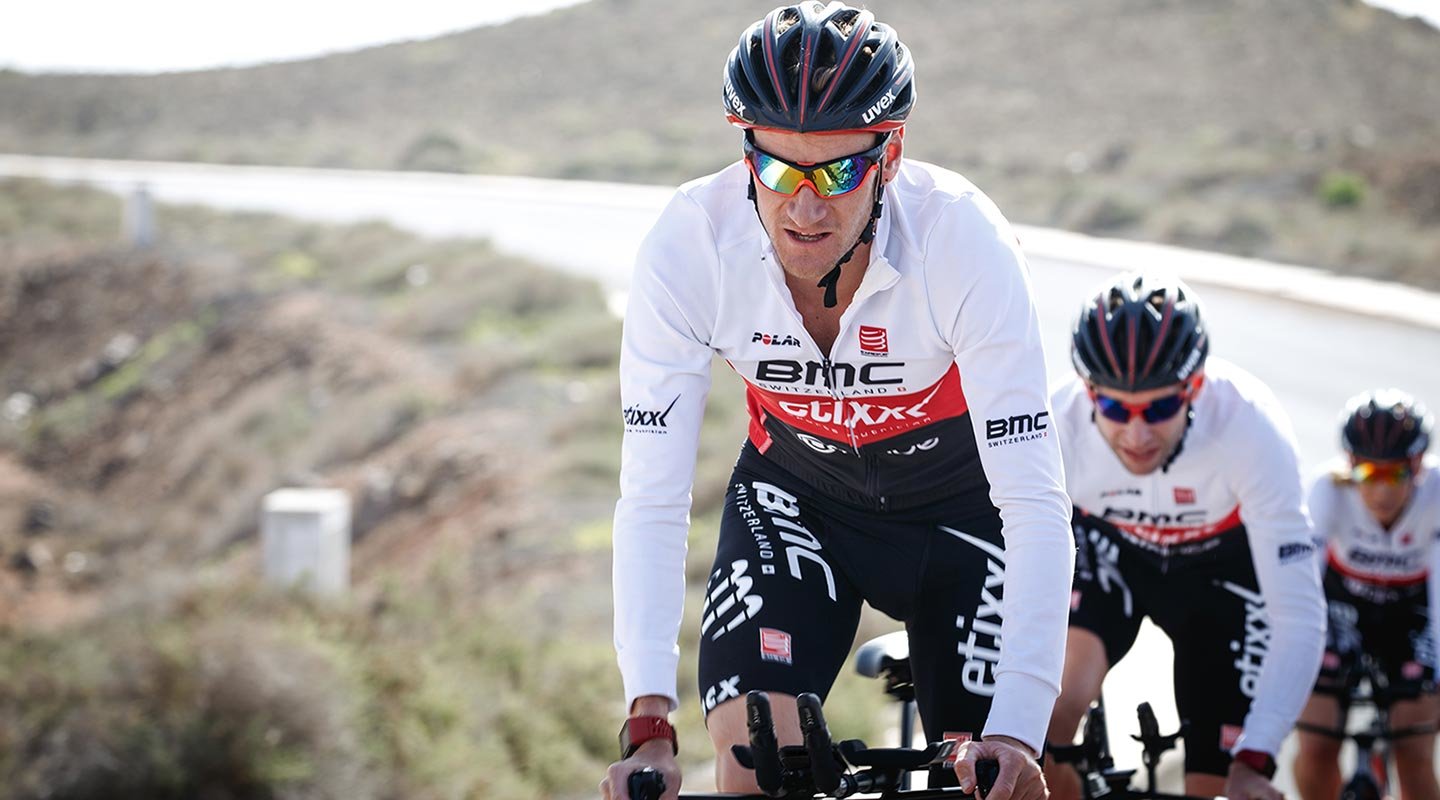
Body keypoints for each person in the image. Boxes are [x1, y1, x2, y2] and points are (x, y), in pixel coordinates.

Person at [600, 4, 1074, 800]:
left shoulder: (962, 240)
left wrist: (1019, 729)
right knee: (756, 756)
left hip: (966, 514)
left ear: (890, 156)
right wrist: (649, 721)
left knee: (991, 778)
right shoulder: (690, 246)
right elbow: (652, 495)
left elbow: (1032, 497)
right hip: (800, 501)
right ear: (745, 153)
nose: (805, 207)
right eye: (779, 170)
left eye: (838, 173)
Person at [1042, 273, 1327, 800]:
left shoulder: (1250, 428)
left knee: (1218, 785)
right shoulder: (1057, 421)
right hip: (1113, 557)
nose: (1137, 434)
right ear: (1089, 392)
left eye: (1159, 408)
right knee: (1044, 728)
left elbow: (1299, 616)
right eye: (1114, 408)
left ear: (1193, 387)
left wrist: (1257, 755)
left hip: (1220, 579)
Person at [1292, 390, 1440, 800]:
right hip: (1343, 610)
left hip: (1413, 615)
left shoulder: (1437, 493)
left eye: (1396, 474)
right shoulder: (1327, 489)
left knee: (1413, 752)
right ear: (1350, 464)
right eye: (1369, 473)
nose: (1381, 489)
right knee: (1316, 746)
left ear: (1417, 466)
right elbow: (1303, 579)